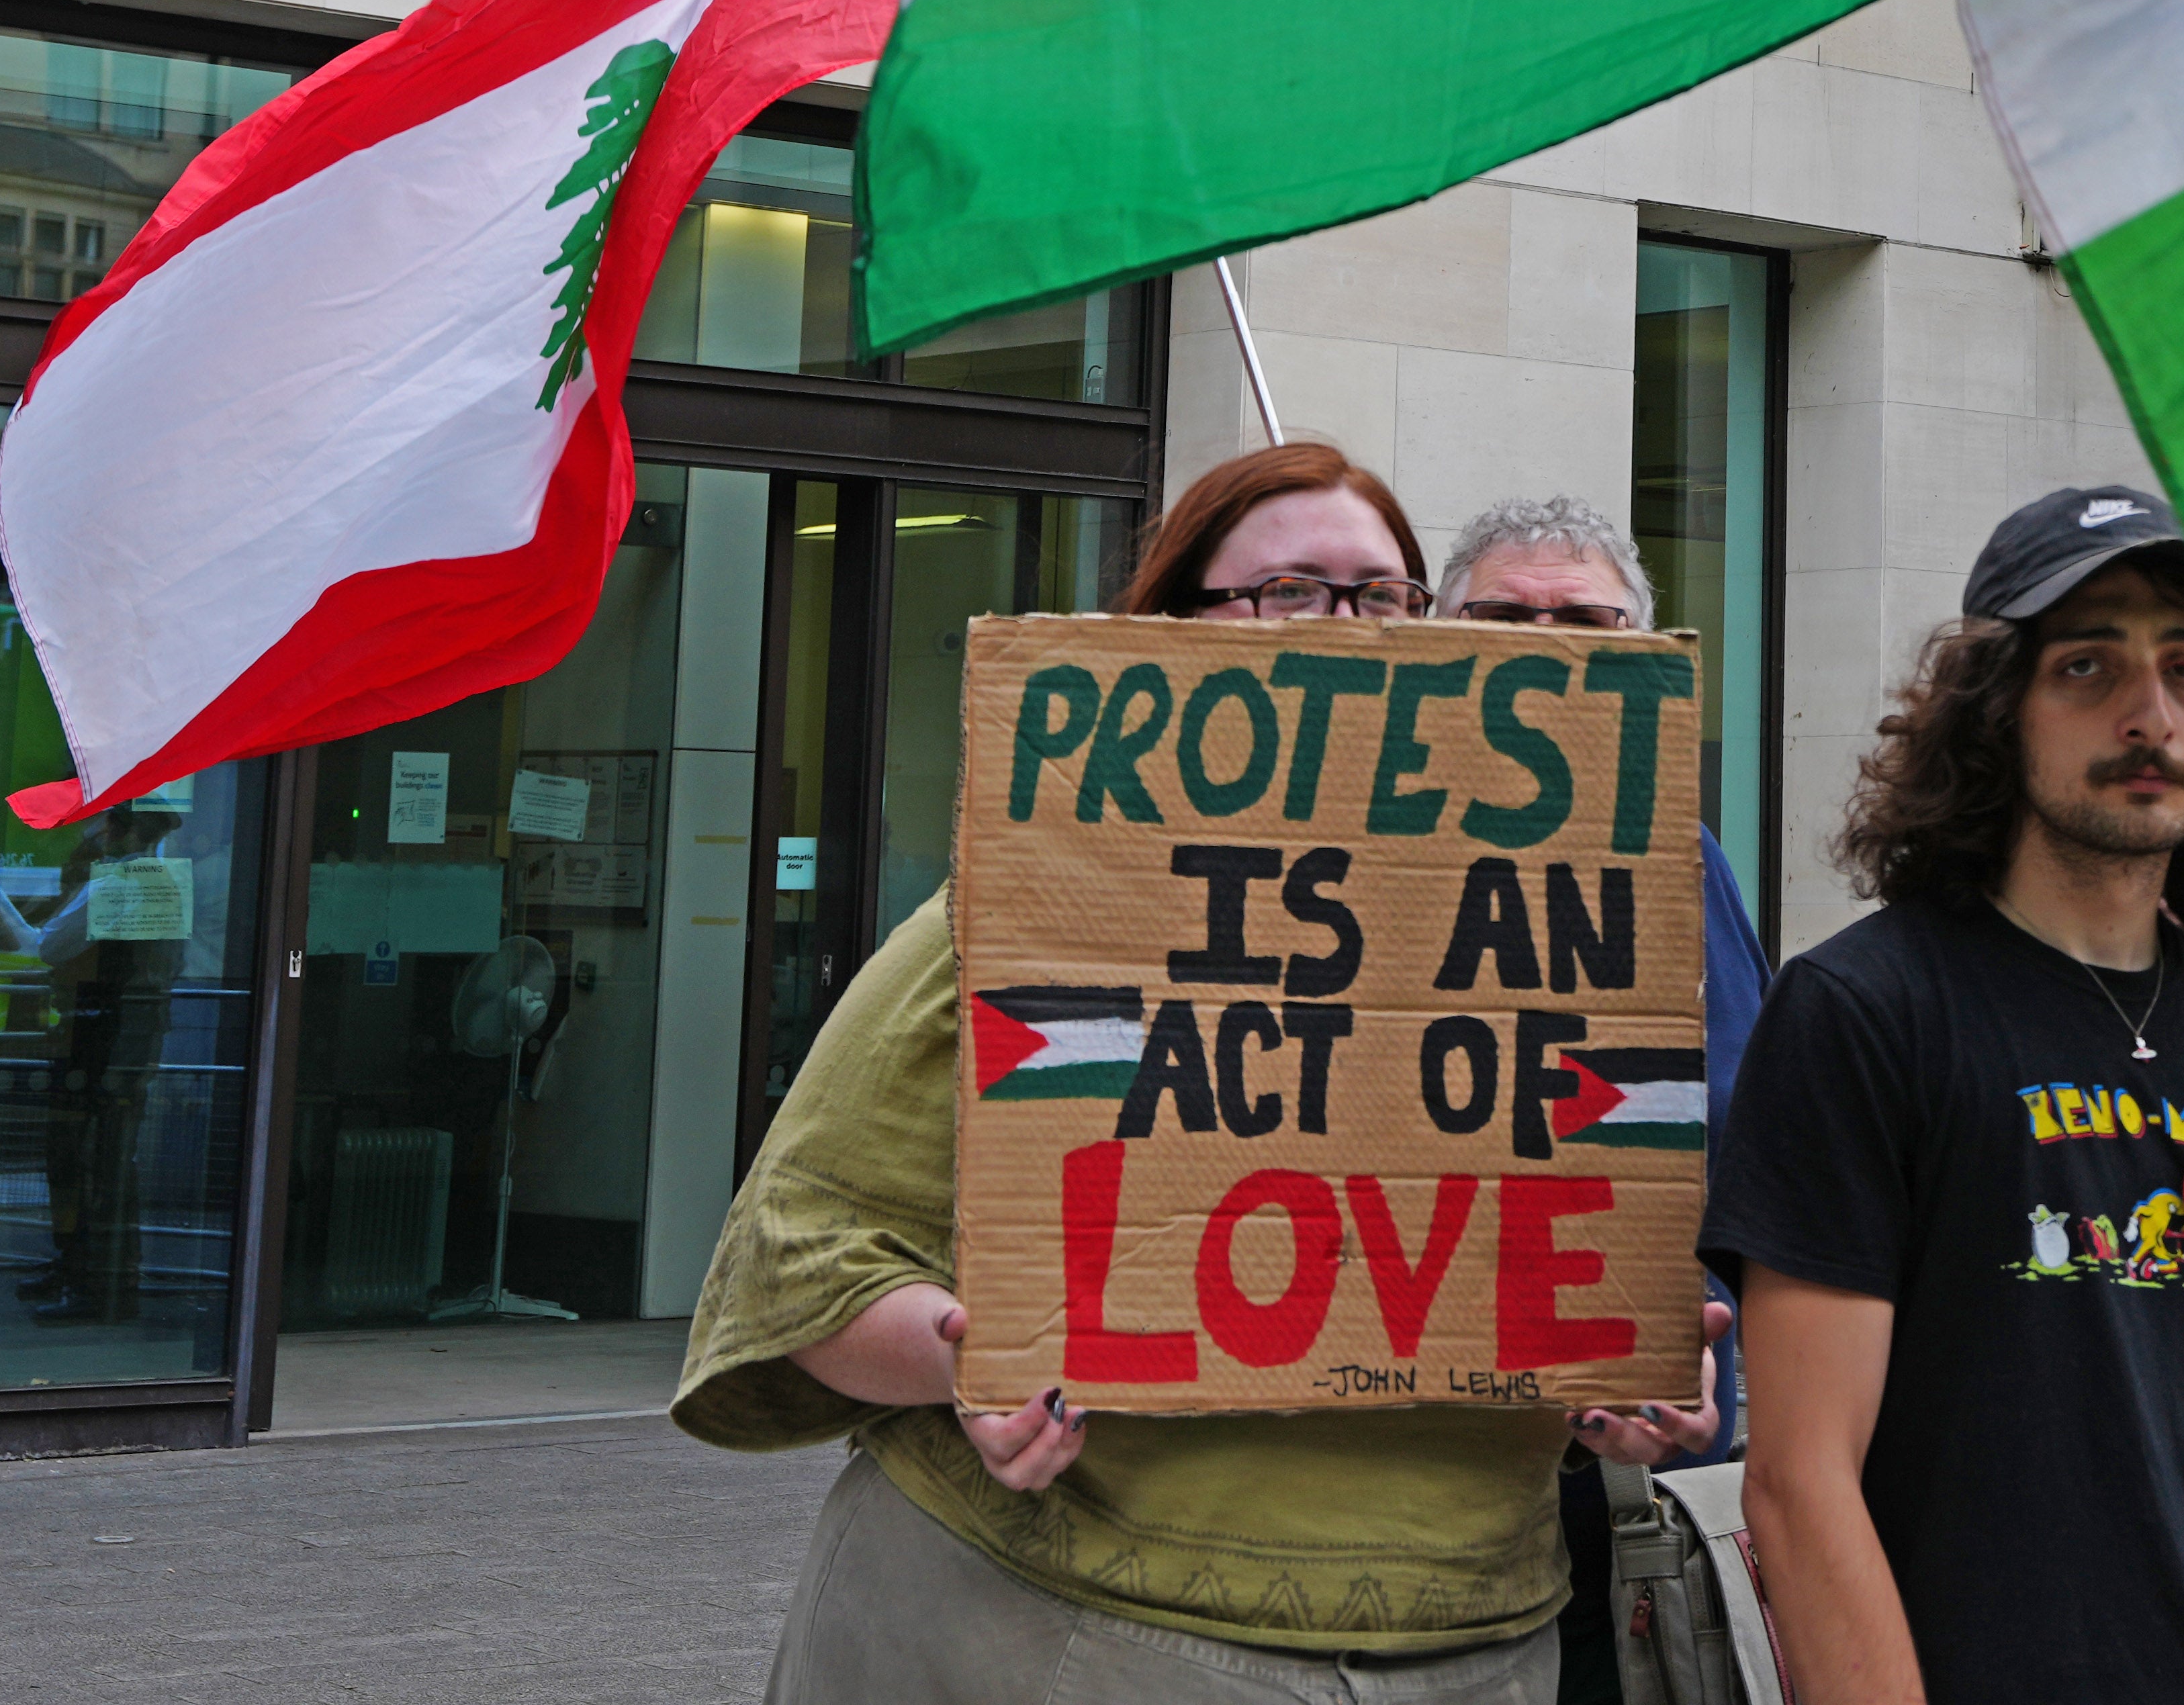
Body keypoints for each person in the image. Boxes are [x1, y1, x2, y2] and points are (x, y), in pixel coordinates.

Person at [676, 440, 1678, 1702]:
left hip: (1484, 1644)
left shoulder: (1576, 935)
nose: (1351, 629)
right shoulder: (1034, 905)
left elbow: (1588, 1234)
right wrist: (975, 1362)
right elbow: (801, 1252)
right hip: (1050, 1628)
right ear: (1174, 633)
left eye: (1382, 596)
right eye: (1292, 591)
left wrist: (1624, 1378)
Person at [1709, 479, 2184, 1705]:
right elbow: (1799, 1479)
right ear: (1996, 716)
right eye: (2089, 669)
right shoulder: (1863, 1015)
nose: (2152, 714)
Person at [1431, 495, 1753, 1705]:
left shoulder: (1682, 856)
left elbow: (1724, 1142)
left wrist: (1684, 1335)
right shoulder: (1316, 847)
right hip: (1362, 1471)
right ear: (1434, 644)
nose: (1543, 648)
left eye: (1586, 622)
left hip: (1588, 1485)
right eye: (1501, 618)